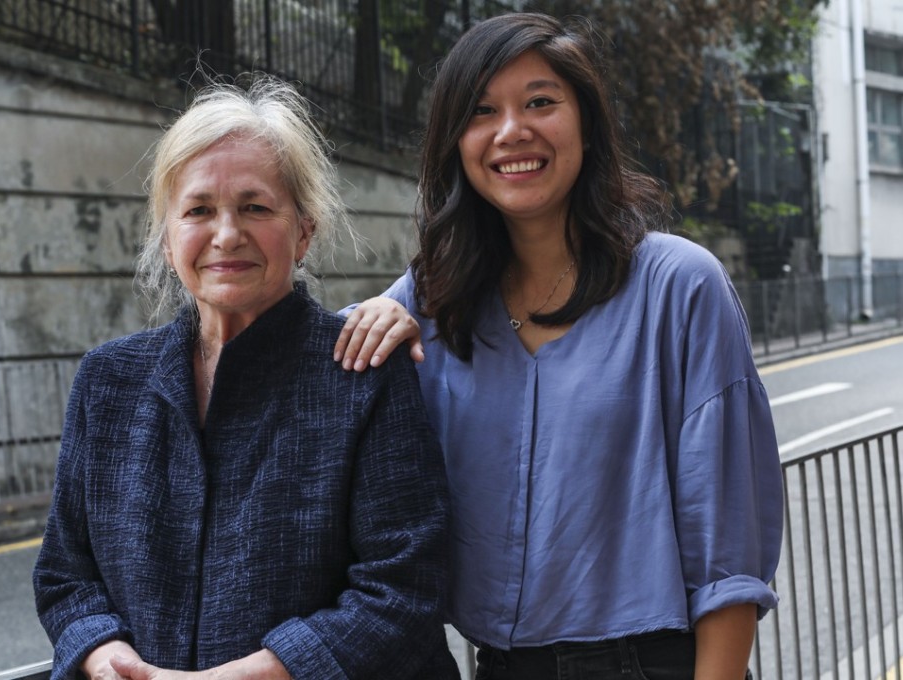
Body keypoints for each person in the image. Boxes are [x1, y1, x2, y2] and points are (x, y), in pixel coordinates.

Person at [334, 13, 783, 680]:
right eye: (482, 111)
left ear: (586, 123)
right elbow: (313, 366)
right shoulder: (435, 297)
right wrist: (371, 312)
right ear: (456, 142)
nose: (513, 131)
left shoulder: (681, 287)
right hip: (502, 666)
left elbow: (727, 558)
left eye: (540, 102)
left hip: (656, 663)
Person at [33, 74, 460, 680]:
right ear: (167, 235)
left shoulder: (363, 370)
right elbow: (65, 575)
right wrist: (102, 653)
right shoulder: (108, 382)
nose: (226, 234)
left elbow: (406, 585)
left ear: (304, 231)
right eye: (199, 210)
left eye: (255, 207)